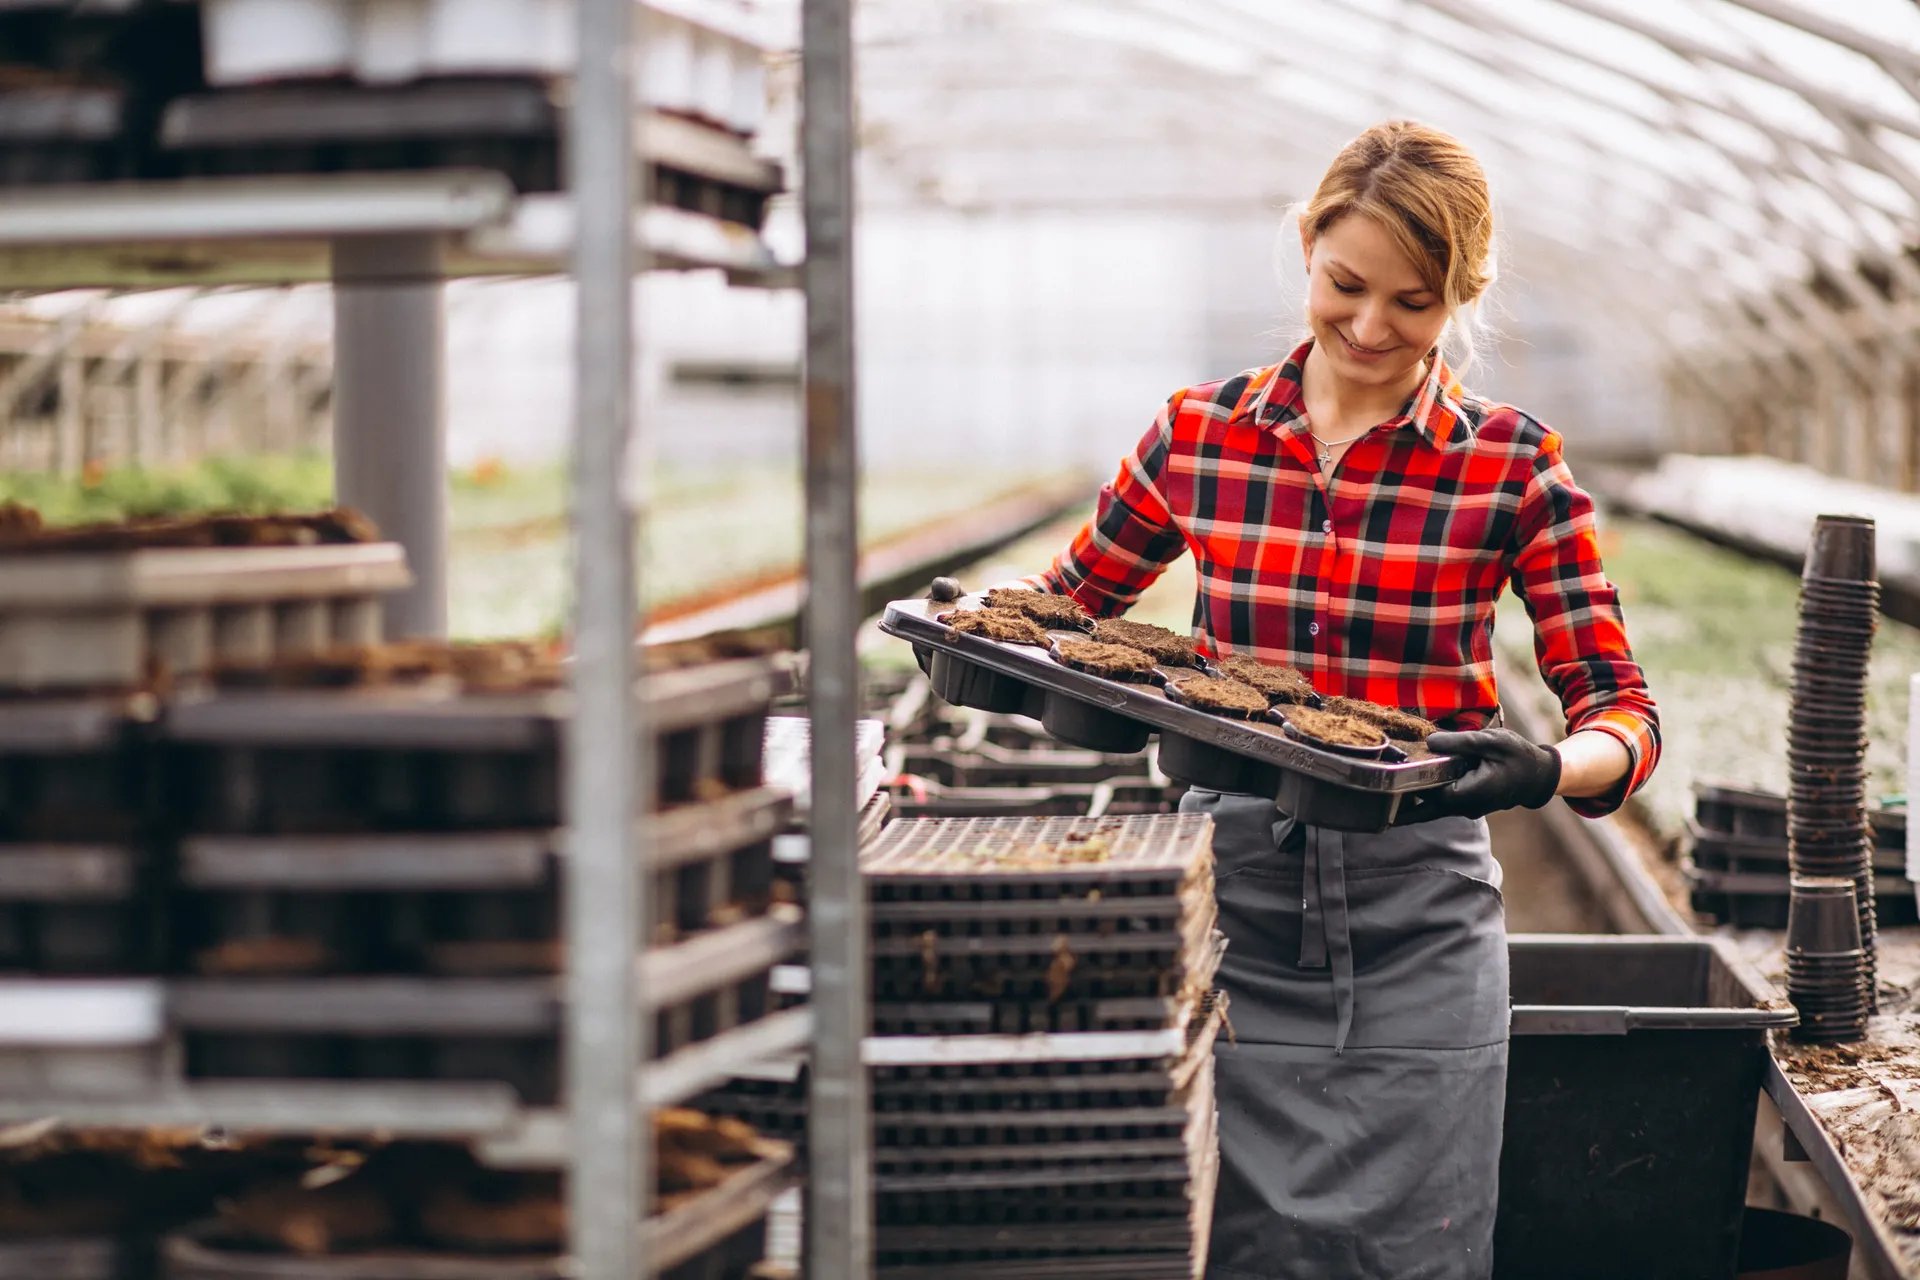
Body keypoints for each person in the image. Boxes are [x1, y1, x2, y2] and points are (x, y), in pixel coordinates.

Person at [1026, 121, 1660, 1279]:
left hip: (1419, 905)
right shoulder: (1199, 435)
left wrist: (1548, 767)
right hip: (1230, 901)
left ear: (1464, 295)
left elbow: (1620, 707)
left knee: (1415, 1249)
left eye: (1413, 302)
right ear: (1307, 247)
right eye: (1346, 284)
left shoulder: (1512, 466)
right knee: (1230, 1243)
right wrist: (1003, 649)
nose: (1370, 329)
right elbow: (1058, 613)